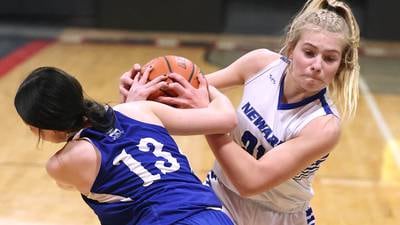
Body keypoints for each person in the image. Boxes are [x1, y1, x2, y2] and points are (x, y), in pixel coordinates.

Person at [119, 0, 360, 224]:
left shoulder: (322, 125)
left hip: (275, 217)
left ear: (340, 66)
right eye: (309, 52)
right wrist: (142, 93)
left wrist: (208, 118)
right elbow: (190, 90)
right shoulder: (261, 64)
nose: (317, 65)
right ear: (290, 49)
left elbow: (251, 181)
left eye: (329, 59)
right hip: (218, 196)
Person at [14, 66, 237, 225]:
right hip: (214, 215)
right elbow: (227, 119)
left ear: (46, 128)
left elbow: (76, 178)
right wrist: (199, 82)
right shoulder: (140, 110)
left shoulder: (62, 163)